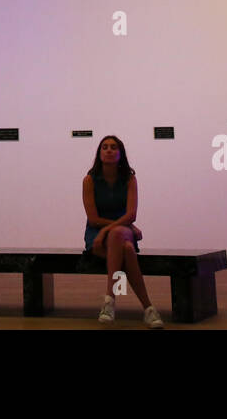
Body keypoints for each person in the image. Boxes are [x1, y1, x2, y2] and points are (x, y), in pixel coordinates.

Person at [82, 135, 164, 327]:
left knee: (118, 234)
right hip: (97, 233)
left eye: (113, 147)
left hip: (122, 229)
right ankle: (149, 309)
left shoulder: (130, 179)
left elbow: (132, 214)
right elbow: (93, 219)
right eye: (105, 147)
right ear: (99, 153)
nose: (109, 150)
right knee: (126, 250)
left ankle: (110, 301)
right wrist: (106, 231)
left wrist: (114, 228)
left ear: (121, 153)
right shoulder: (89, 180)